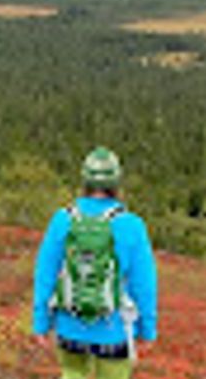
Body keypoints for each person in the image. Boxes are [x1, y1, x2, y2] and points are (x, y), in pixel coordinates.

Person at [31, 147, 159, 379]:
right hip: (113, 329)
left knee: (72, 373)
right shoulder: (131, 225)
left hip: (68, 327)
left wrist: (40, 322)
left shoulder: (62, 220)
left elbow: (45, 274)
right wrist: (147, 330)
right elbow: (144, 284)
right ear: (117, 183)